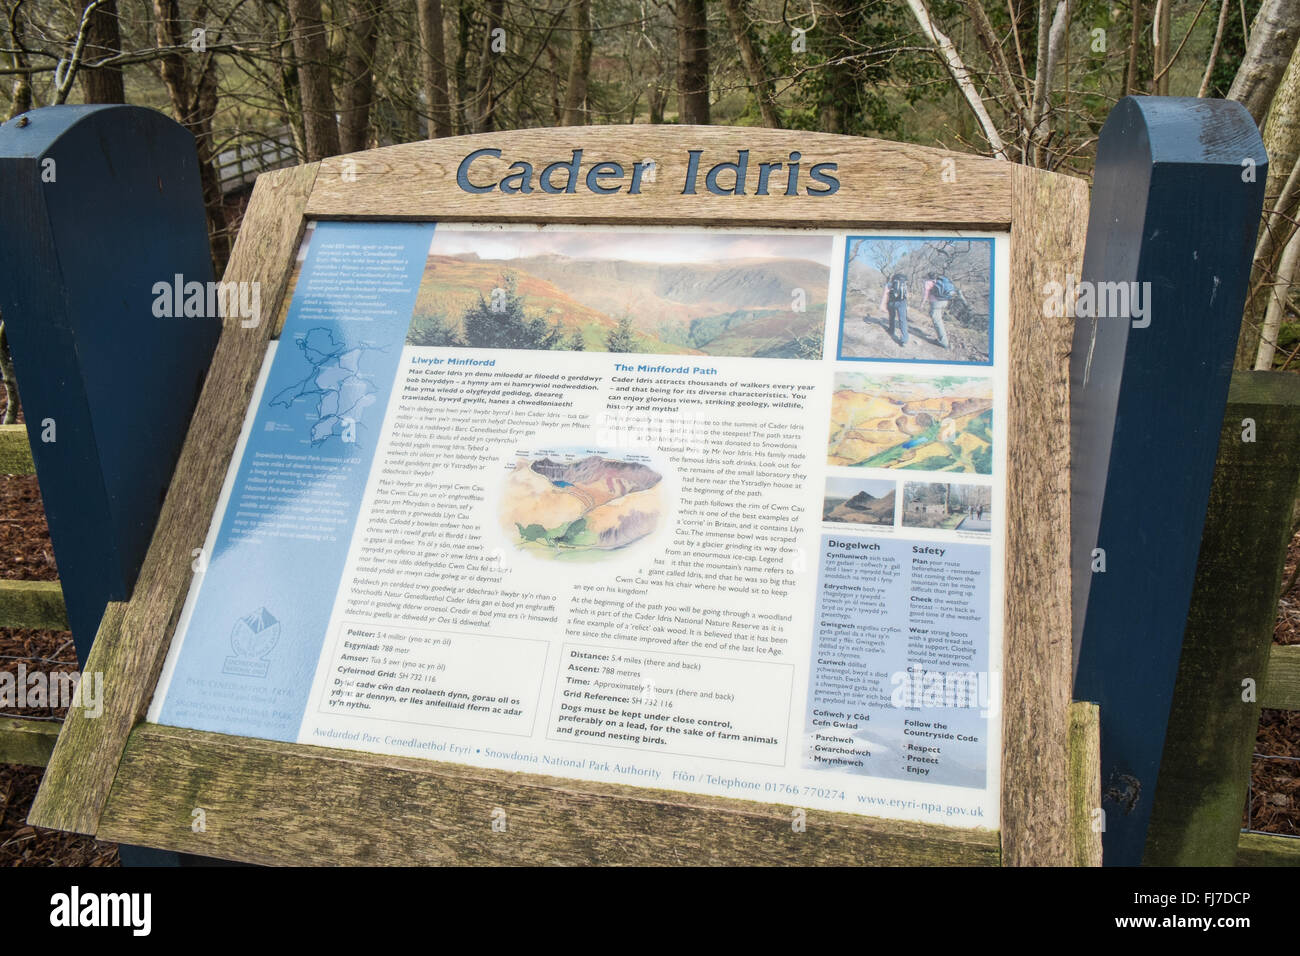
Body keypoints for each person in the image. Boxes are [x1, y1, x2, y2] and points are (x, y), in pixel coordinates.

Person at [922, 274, 958, 349]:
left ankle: (943, 342)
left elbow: (926, 294)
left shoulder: (928, 282)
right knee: (939, 320)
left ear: (928, 277)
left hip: (936, 303)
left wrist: (922, 303)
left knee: (937, 322)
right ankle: (943, 339)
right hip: (944, 301)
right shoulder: (941, 281)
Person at [879, 272, 909, 345]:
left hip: (891, 302)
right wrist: (907, 305)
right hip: (902, 302)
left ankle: (891, 330)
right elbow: (906, 295)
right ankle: (904, 339)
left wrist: (882, 305)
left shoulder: (889, 284)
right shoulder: (904, 284)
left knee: (892, 317)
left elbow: (885, 295)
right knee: (902, 320)